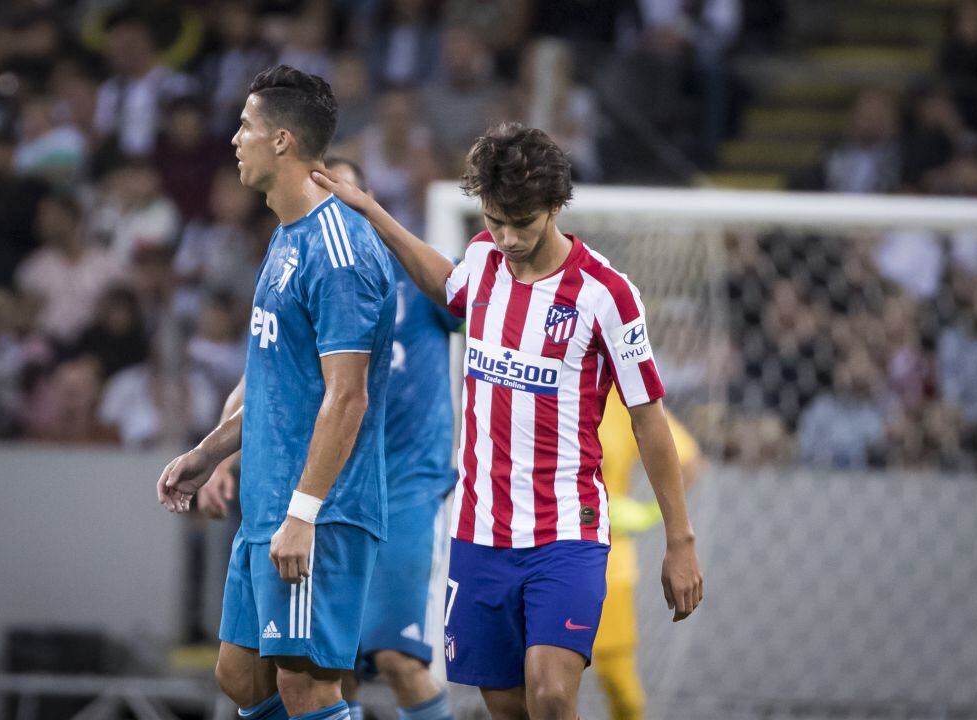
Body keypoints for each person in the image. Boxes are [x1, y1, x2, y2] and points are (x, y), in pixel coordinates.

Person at [312, 122, 703, 720]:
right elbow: (447, 284)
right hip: (480, 534)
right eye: (496, 220)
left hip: (565, 533)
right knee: (508, 706)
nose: (509, 237)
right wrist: (371, 212)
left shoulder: (606, 295)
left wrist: (679, 542)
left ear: (556, 205)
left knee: (550, 695)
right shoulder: (482, 262)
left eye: (522, 222)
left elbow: (649, 423)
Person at [156, 65, 397, 720]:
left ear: (284, 140)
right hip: (268, 502)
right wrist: (209, 452)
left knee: (306, 689)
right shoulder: (288, 237)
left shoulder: (341, 253)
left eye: (246, 126)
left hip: (319, 508)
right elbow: (272, 381)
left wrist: (305, 513)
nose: (234, 139)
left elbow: (347, 398)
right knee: (242, 678)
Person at [199, 157, 459, 720]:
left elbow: (478, 304)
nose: (328, 197)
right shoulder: (298, 256)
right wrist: (217, 458)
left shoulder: (398, 279)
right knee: (272, 675)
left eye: (337, 184)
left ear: (361, 193)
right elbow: (260, 378)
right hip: (311, 483)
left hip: (398, 488)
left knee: (392, 658)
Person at [593, 392, 705, 720]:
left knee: (619, 686)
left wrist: (646, 514)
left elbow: (689, 459)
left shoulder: (618, 396)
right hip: (536, 549)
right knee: (538, 683)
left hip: (607, 562)